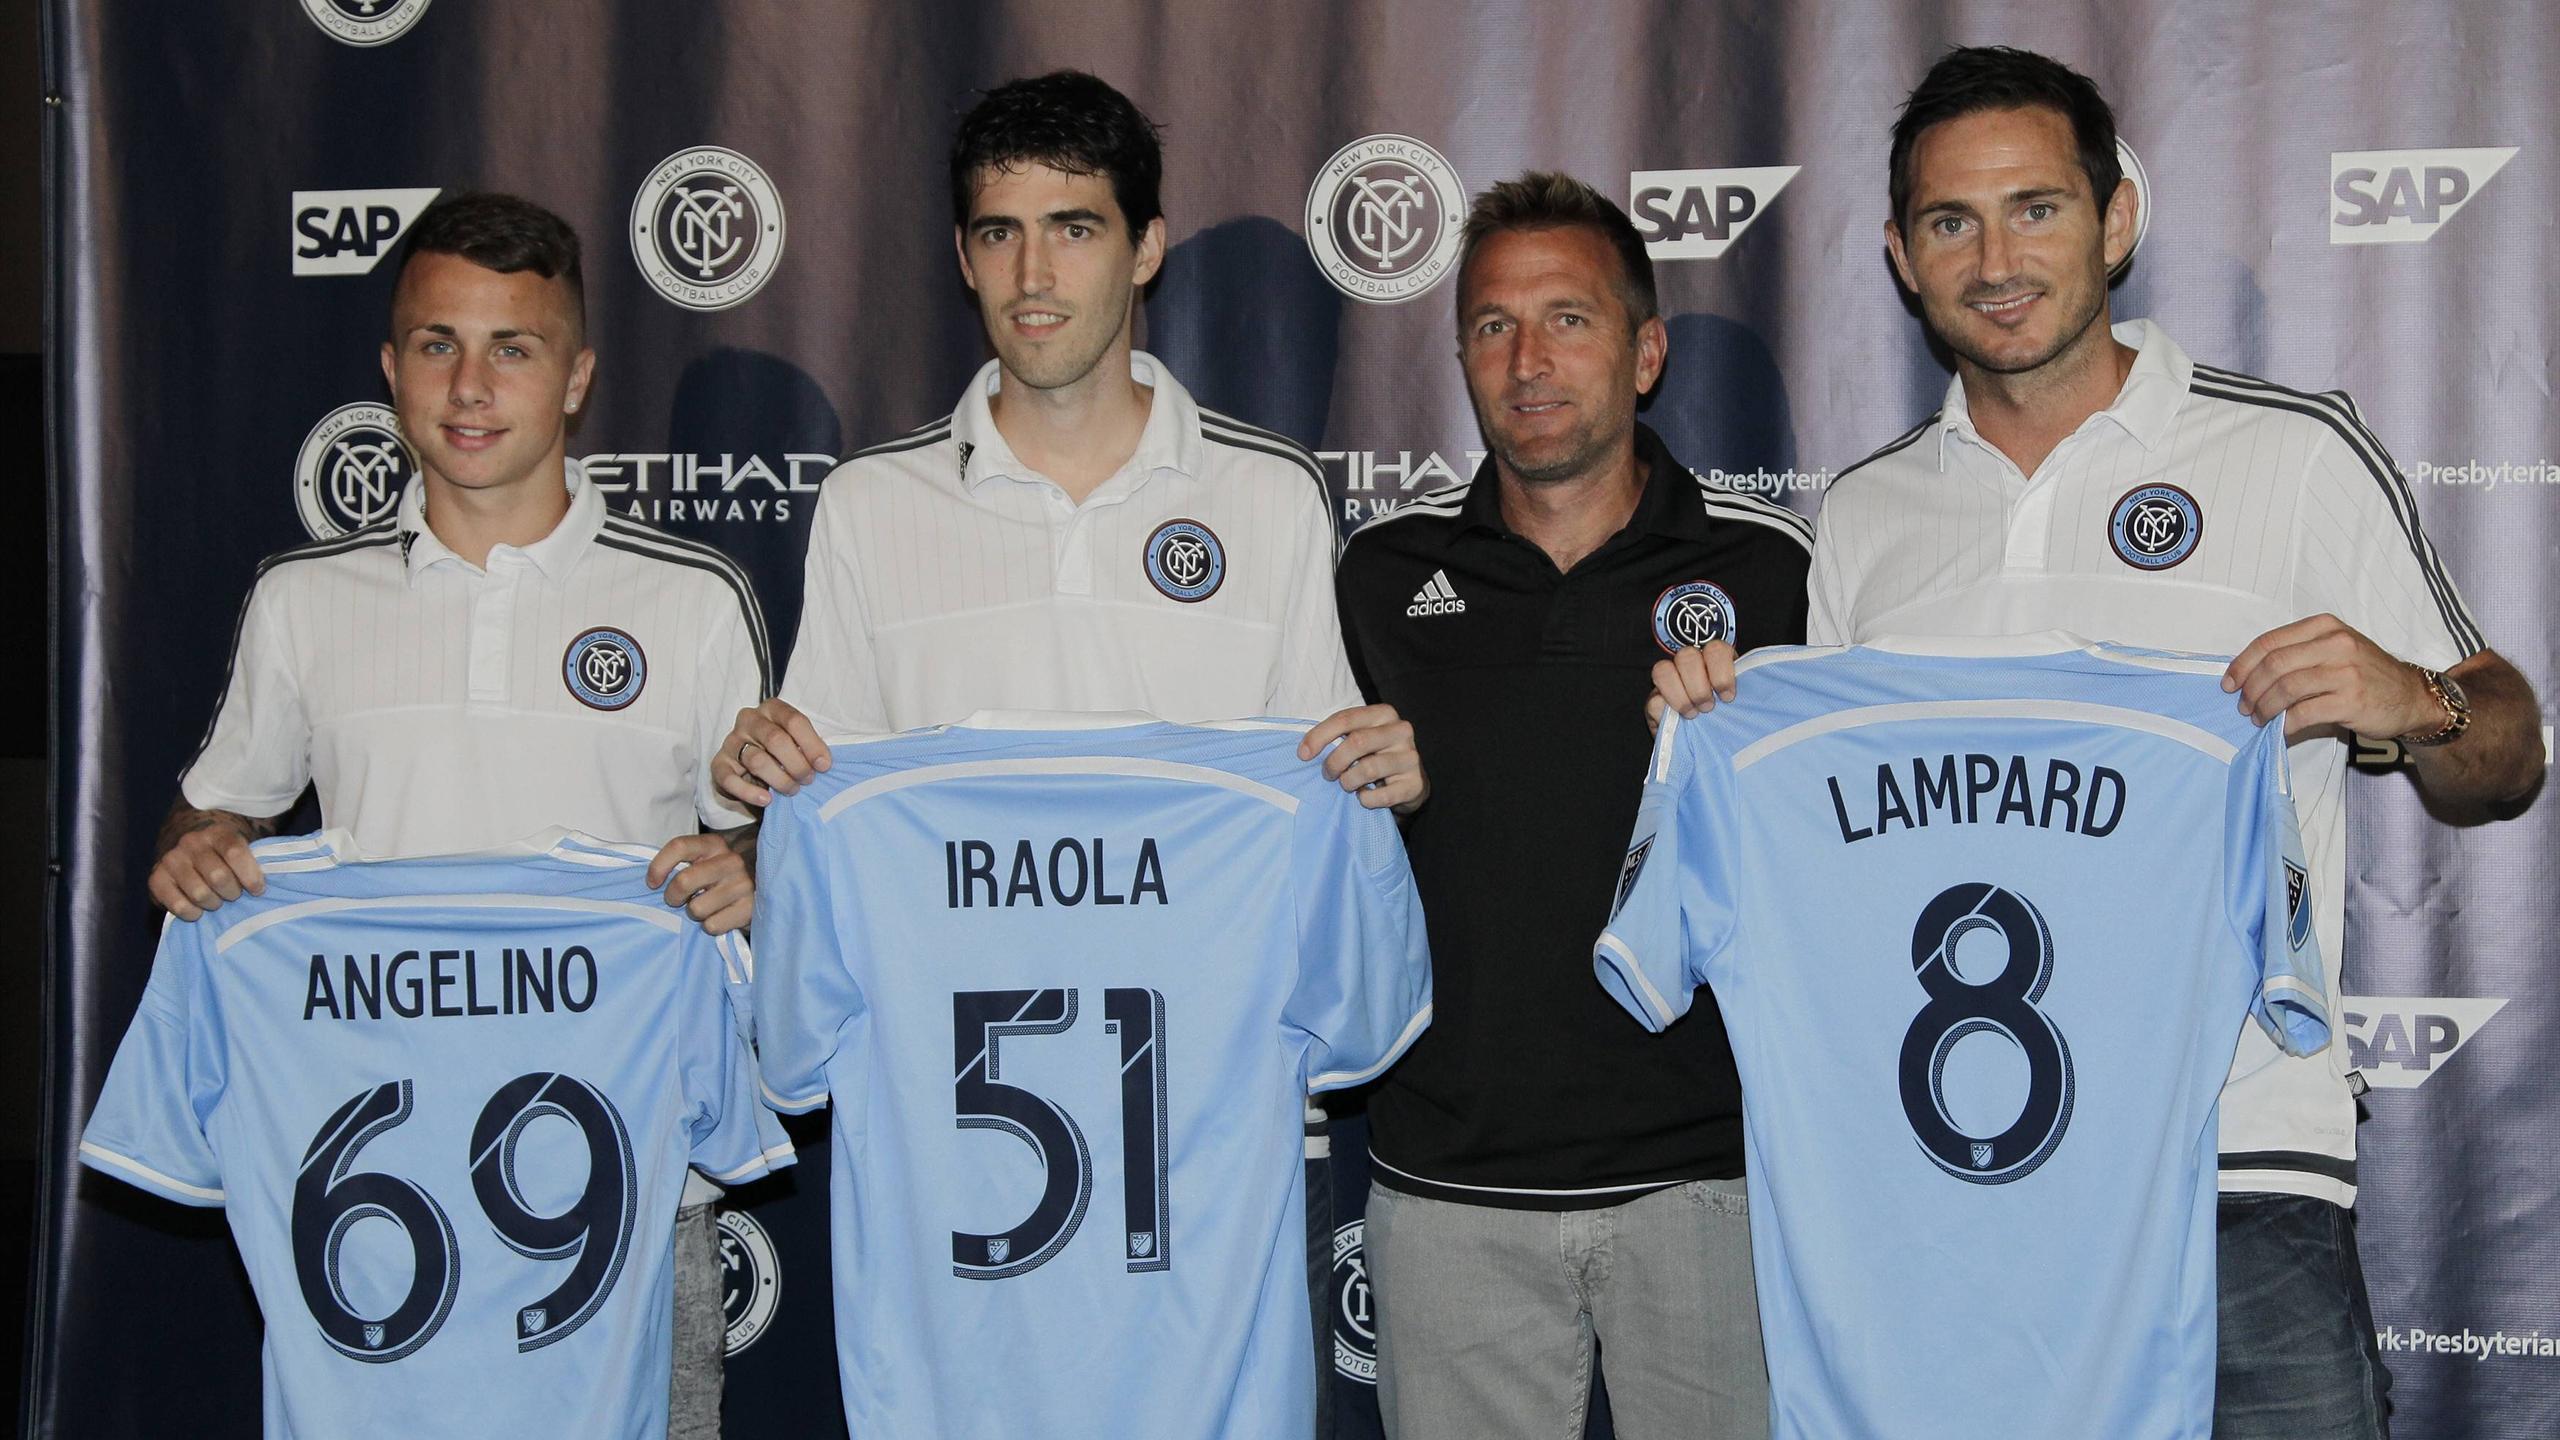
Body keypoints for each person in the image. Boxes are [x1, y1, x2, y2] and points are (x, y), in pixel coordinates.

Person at [1654, 46, 2542, 1438]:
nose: (1995, 260)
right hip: (1951, 1179)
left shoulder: (2293, 454)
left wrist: (2414, 698)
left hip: (2237, 1159)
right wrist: (1720, 735)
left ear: (2116, 218)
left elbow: (2509, 756)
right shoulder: (1869, 516)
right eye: (1950, 222)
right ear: (1899, 256)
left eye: (2036, 209)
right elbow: (1841, 862)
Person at [144, 193, 768, 1439]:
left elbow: (759, 844)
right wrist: (200, 850)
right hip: (377, 1194)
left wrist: (751, 867)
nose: (470, 387)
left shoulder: (693, 600)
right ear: (391, 369)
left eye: (512, 349)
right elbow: (209, 817)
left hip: (633, 1188)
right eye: (439, 345)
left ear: (576, 378)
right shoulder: (305, 601)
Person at [1336, 172, 1808, 1439]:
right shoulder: (1377, 575)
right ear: (1459, 358)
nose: (1527, 360)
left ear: (1645, 353)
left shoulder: (1773, 570)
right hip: (1448, 1187)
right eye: (1492, 326)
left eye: (1568, 320)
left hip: (1712, 1182)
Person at [713, 71, 1418, 807]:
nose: (1032, 276)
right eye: (1000, 233)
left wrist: (1381, 783)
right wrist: (765, 778)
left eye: (1073, 230)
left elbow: (1318, 790)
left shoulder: (1273, 492)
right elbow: (829, 800)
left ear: (1146, 250)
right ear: (965, 258)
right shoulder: (867, 501)